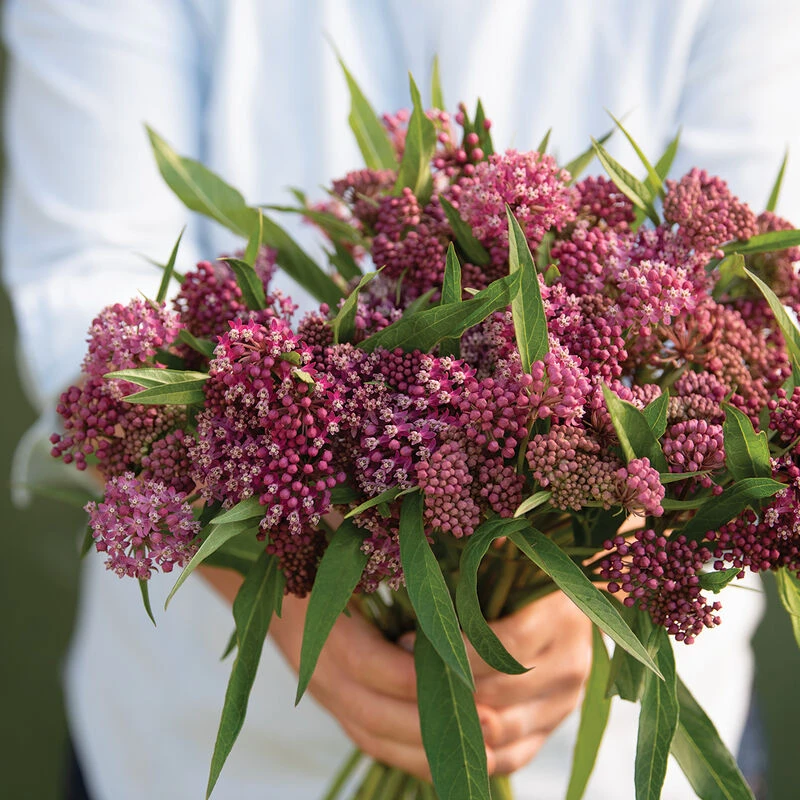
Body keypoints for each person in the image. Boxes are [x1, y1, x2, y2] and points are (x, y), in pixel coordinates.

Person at [4, 1, 799, 798]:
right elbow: (81, 278)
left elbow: (752, 299)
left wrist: (600, 582)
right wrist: (285, 600)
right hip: (189, 744)